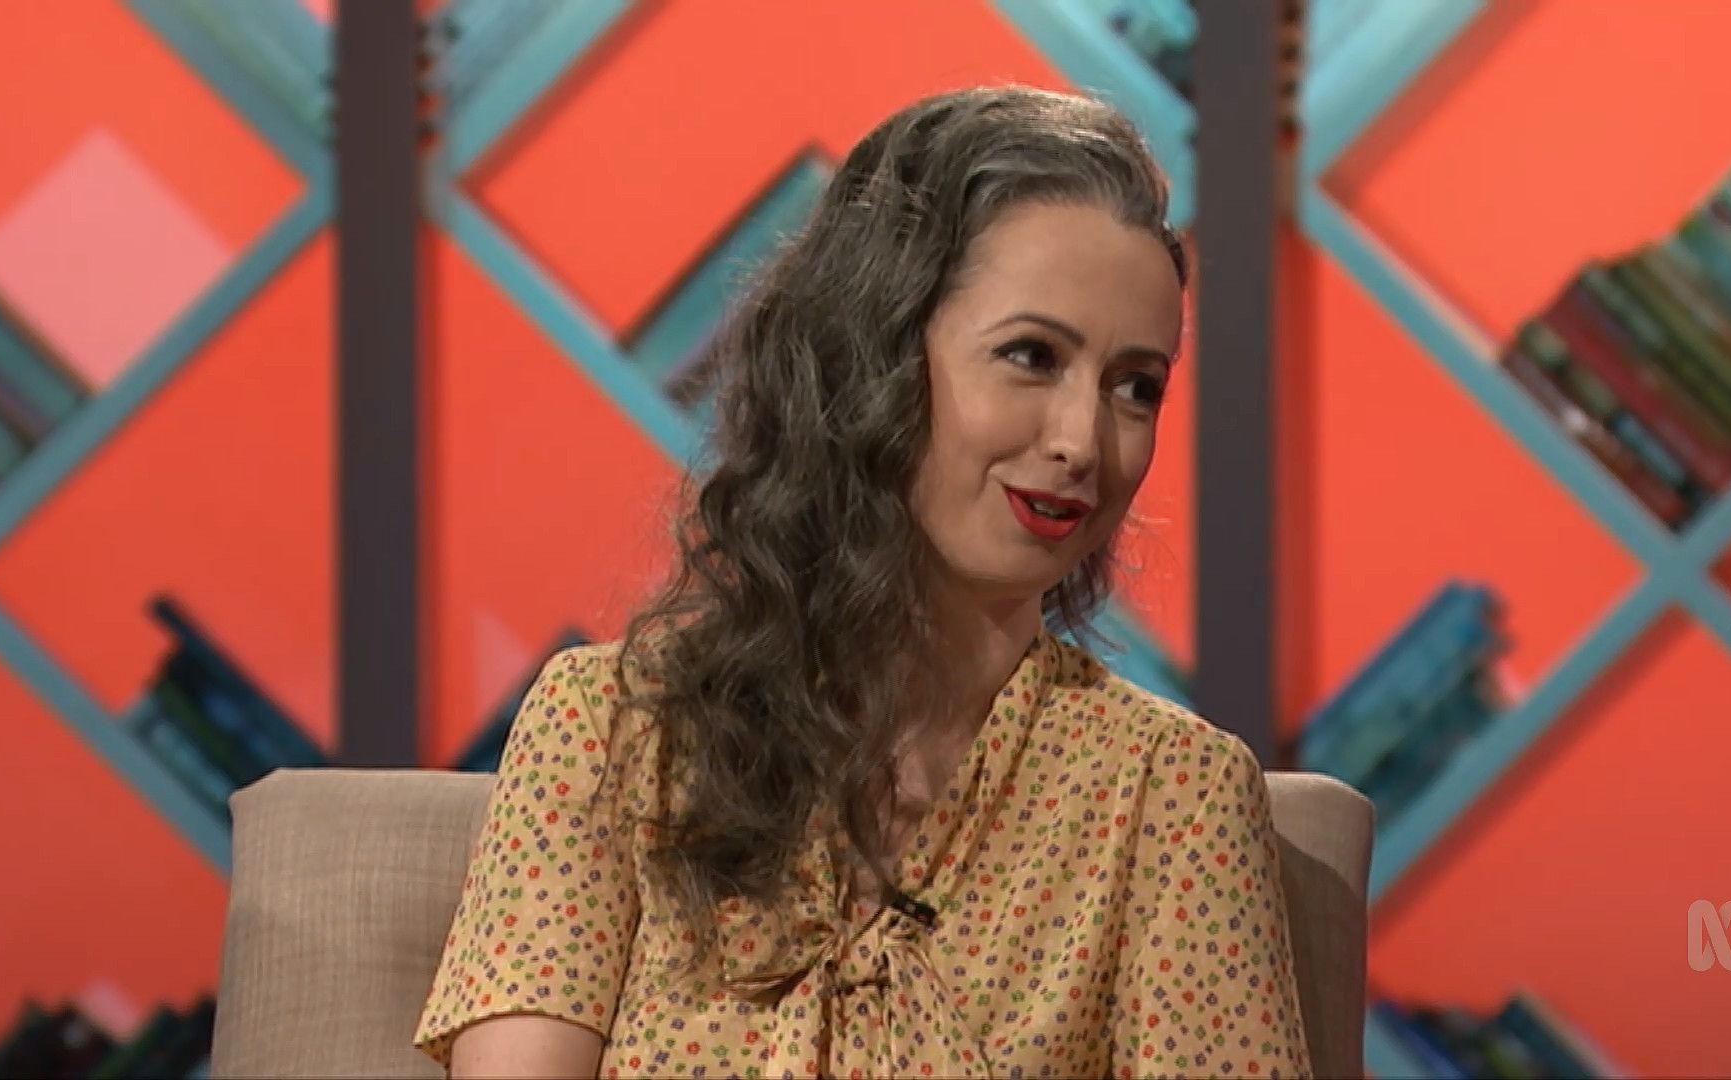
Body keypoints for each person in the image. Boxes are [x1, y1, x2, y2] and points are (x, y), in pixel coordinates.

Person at [413, 85, 1313, 1080]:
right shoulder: (612, 731)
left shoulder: (1173, 795)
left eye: (1134, 387)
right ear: (871, 360)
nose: (1081, 442)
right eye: (1031, 356)